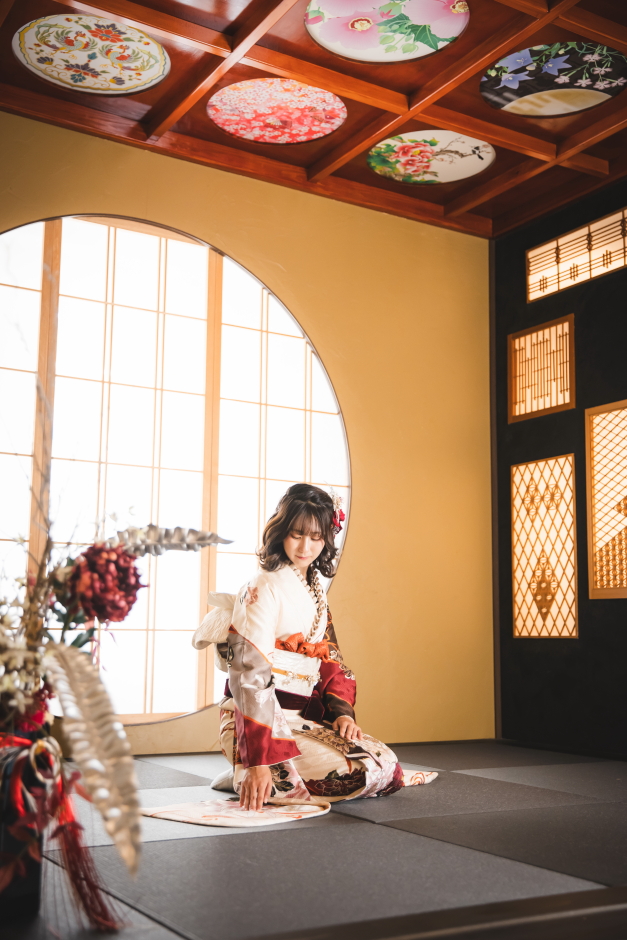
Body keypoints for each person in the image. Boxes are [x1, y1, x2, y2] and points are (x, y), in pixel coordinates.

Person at [196, 484, 437, 811]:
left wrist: (342, 715)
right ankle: (248, 770)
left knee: (386, 765)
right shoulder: (261, 587)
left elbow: (331, 661)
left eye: (316, 537)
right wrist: (257, 761)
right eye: (296, 534)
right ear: (281, 531)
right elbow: (249, 675)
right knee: (352, 776)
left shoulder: (315, 592)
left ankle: (258, 777)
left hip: (301, 719)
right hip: (255, 722)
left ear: (326, 539)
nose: (305, 547)